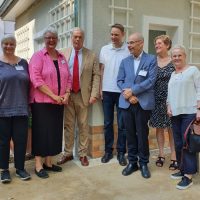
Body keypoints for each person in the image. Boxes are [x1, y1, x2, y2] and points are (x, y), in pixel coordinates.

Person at [29, 27, 72, 178]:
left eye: (54, 37)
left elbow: (69, 78)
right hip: (42, 102)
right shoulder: (38, 56)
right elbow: (36, 79)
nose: (51, 40)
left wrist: (66, 94)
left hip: (59, 102)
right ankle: (38, 165)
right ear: (44, 39)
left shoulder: (61, 57)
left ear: (57, 39)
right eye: (48, 38)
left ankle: (48, 162)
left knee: (53, 132)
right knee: (41, 132)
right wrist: (54, 96)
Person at [57, 27, 100, 166]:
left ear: (83, 38)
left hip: (83, 96)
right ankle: (68, 153)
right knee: (68, 125)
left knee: (83, 125)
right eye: (75, 36)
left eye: (80, 37)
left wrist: (94, 94)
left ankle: (82, 154)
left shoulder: (91, 55)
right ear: (71, 38)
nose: (77, 39)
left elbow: (96, 75)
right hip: (67, 96)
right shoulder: (63, 53)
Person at [117, 32, 157, 179]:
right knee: (129, 134)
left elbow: (151, 80)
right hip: (126, 103)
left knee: (142, 134)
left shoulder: (151, 59)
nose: (129, 45)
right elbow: (119, 81)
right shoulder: (124, 61)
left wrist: (133, 92)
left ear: (141, 43)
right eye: (128, 43)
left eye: (132, 42)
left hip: (142, 103)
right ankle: (132, 162)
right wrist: (127, 94)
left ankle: (144, 163)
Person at [167, 45, 200, 190]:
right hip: (175, 114)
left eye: (179, 55)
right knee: (179, 143)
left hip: (190, 112)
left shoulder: (193, 70)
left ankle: (188, 176)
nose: (176, 58)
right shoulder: (173, 74)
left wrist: (199, 109)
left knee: (188, 145)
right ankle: (182, 169)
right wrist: (169, 106)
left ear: (185, 56)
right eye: (174, 56)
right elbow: (170, 93)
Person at [0, 35, 31, 183]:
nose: (8, 46)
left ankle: (20, 168)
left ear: (15, 45)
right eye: (6, 44)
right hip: (2, 109)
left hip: (21, 109)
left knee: (20, 140)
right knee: (3, 141)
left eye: (11, 44)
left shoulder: (24, 63)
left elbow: (30, 84)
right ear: (2, 45)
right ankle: (4, 170)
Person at [99, 23, 129, 166]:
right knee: (107, 123)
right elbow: (101, 70)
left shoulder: (128, 50)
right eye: (112, 34)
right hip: (107, 91)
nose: (113, 37)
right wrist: (100, 89)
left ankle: (121, 152)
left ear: (122, 35)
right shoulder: (104, 49)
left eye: (116, 34)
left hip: (122, 92)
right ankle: (108, 151)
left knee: (122, 124)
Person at [149, 35, 177, 169]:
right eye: (155, 44)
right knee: (159, 129)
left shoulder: (174, 61)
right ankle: (161, 154)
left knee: (172, 129)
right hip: (156, 100)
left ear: (167, 45)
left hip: (171, 100)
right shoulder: (152, 61)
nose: (157, 46)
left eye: (159, 43)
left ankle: (174, 156)